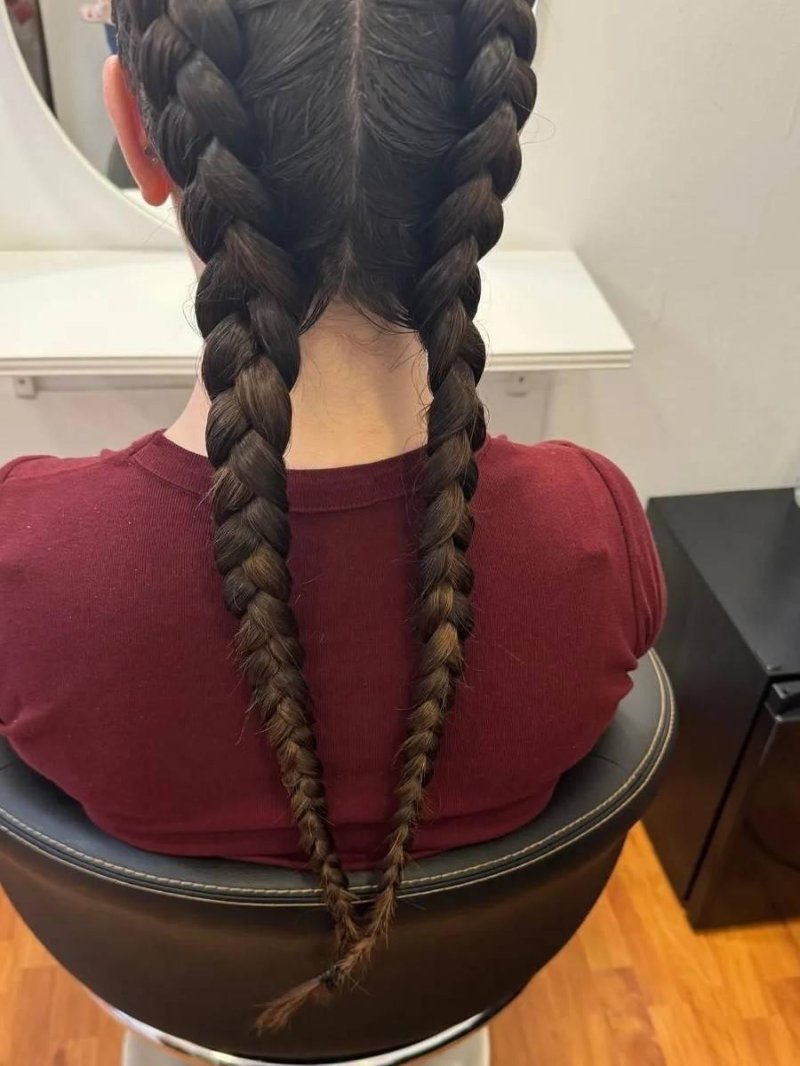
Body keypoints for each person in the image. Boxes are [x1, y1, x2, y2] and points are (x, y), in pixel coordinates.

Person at [0, 0, 664, 1028]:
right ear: (487, 150)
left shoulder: (27, 567)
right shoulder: (597, 536)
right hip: (451, 999)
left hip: (174, 1002)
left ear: (137, 132)